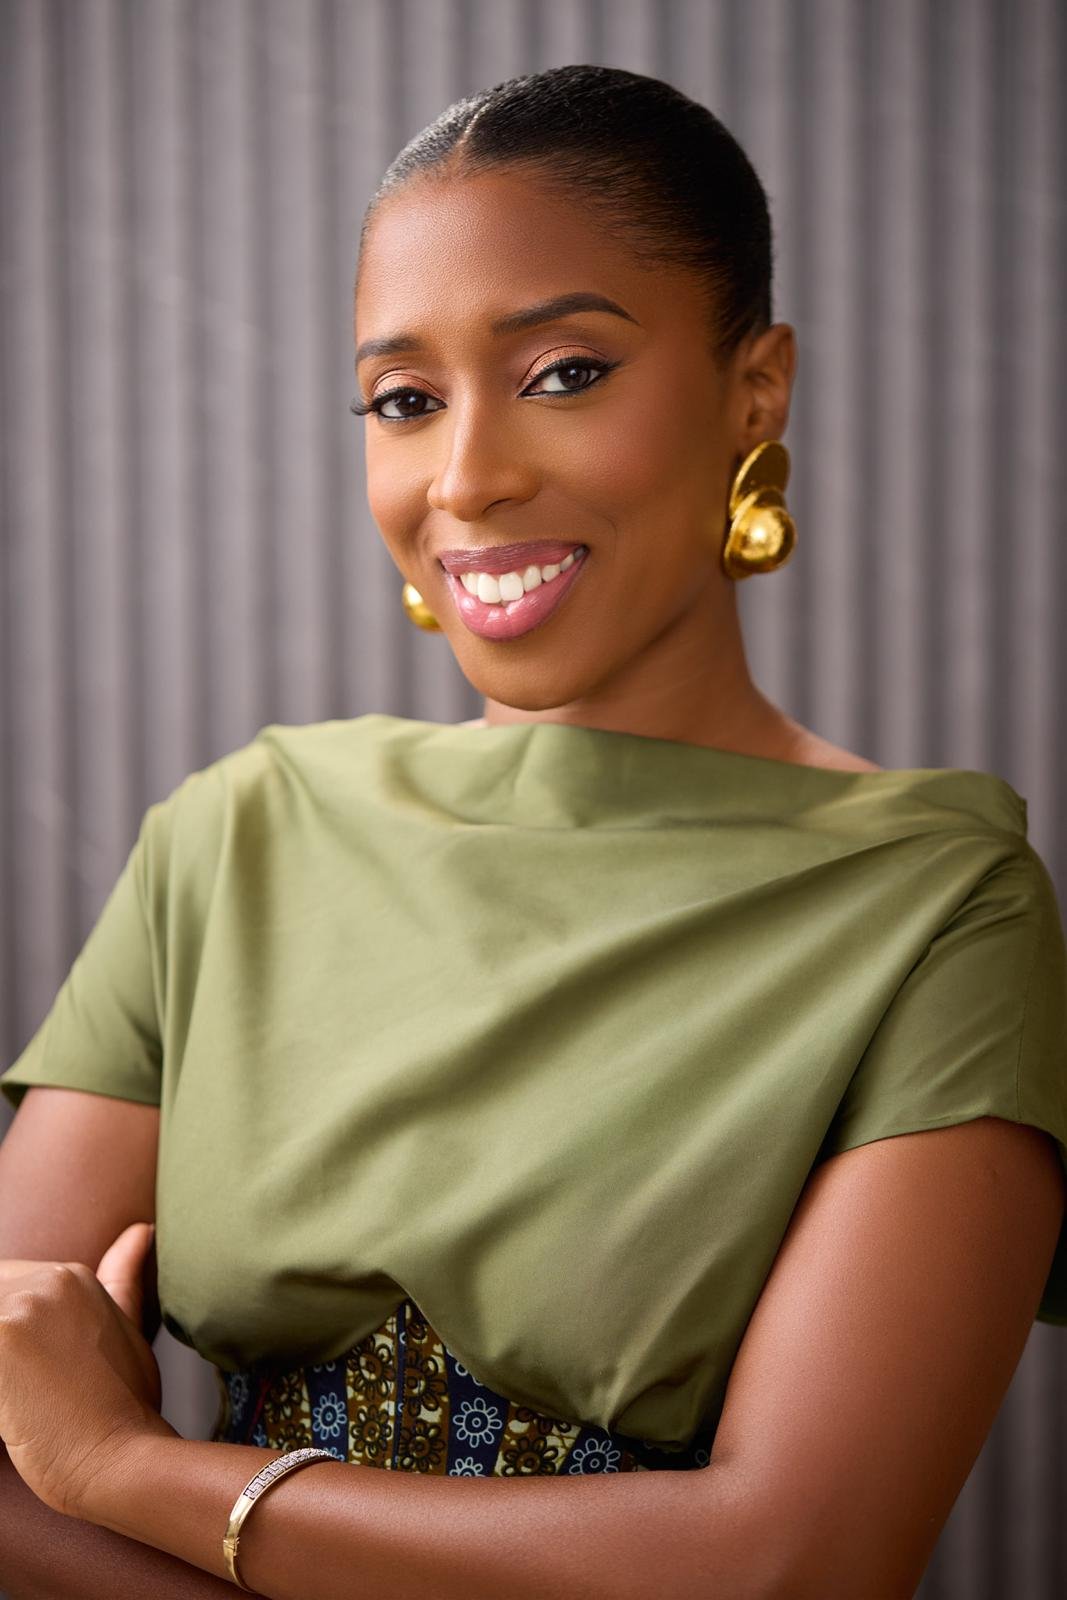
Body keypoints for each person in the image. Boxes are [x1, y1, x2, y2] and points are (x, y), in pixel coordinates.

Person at [0, 61, 1065, 1600]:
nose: (469, 475)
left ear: (751, 391)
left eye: (563, 372)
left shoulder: (936, 903)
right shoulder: (241, 838)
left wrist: (134, 1470)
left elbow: (796, 1558)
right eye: (404, 401)